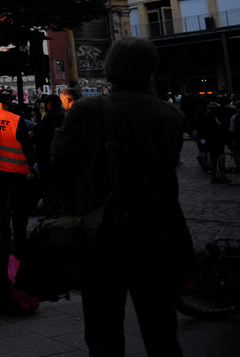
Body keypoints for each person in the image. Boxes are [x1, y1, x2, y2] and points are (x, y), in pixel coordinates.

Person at [51, 37, 193, 357]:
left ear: (111, 69)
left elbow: (58, 159)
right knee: (161, 331)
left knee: (104, 334)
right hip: (157, 234)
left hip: (103, 236)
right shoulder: (171, 115)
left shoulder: (86, 110)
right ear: (151, 71)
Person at [0, 85, 34, 253]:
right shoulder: (17, 120)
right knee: (19, 209)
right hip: (16, 171)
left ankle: (2, 241)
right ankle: (20, 243)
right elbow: (27, 147)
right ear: (10, 100)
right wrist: (31, 168)